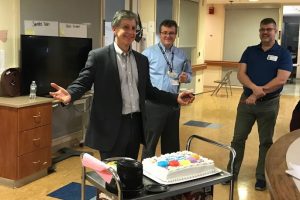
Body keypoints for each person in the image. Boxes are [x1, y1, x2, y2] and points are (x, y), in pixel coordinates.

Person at [49, 10, 194, 161]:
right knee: (112, 177)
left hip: (134, 125)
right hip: (110, 126)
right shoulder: (99, 56)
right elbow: (83, 81)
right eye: (126, 27)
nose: (131, 32)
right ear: (114, 29)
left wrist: (175, 98)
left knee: (129, 171)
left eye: (133, 28)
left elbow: (149, 91)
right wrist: (70, 94)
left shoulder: (141, 60)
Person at [225, 18, 292, 191]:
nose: (265, 32)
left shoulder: (283, 53)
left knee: (265, 142)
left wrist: (259, 93)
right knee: (238, 139)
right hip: (246, 102)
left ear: (275, 31)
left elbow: (281, 79)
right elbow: (241, 74)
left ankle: (261, 177)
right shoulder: (250, 51)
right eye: (262, 29)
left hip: (269, 105)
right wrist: (255, 90)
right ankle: (231, 172)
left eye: (269, 29)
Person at [141, 19, 192, 160]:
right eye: (164, 33)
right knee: (149, 145)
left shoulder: (181, 55)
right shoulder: (148, 54)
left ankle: (169, 176)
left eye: (171, 33)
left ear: (176, 34)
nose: (167, 36)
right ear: (159, 34)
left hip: (174, 104)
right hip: (154, 105)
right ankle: (144, 176)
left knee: (172, 147)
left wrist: (185, 77)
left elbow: (189, 75)